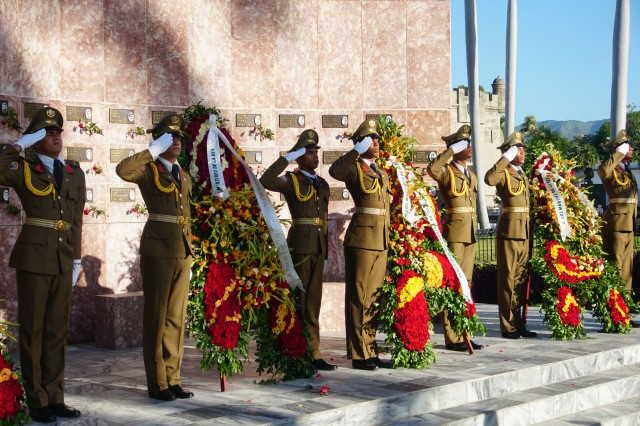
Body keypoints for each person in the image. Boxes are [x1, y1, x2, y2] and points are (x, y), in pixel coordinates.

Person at [0, 107, 84, 422]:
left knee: (56, 332)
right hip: (34, 257)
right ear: (37, 139)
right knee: (33, 331)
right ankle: (36, 400)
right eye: (47, 133)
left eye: (57, 132)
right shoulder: (23, 167)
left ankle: (55, 397)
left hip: (63, 258)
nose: (55, 138)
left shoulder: (75, 171)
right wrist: (20, 144)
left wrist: (77, 257)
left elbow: (76, 220)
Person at [116, 114, 195, 400]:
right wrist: (151, 150)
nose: (175, 142)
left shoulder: (182, 173)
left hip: (182, 250)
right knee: (157, 317)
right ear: (159, 141)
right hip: (158, 250)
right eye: (169, 138)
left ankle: (173, 378)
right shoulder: (148, 169)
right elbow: (123, 170)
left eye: (178, 138)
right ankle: (158, 382)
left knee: (176, 318)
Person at [260, 129, 336, 371]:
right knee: (299, 300)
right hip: (300, 247)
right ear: (300, 157)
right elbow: (266, 180)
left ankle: (314, 352)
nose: (315, 157)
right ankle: (296, 349)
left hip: (318, 248)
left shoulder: (322, 184)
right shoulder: (292, 181)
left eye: (316, 153)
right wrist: (288, 157)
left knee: (313, 302)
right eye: (310, 153)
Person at [329, 119, 391, 370]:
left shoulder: (380, 171)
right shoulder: (354, 168)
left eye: (376, 140)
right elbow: (335, 171)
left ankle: (370, 348)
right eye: (370, 140)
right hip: (362, 240)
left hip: (380, 239)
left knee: (373, 298)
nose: (376, 143)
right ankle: (358, 352)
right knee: (359, 297)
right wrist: (356, 149)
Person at [427, 124, 483, 351]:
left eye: (468, 143)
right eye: (464, 144)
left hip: (469, 233)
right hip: (455, 234)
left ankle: (465, 331)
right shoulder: (447, 171)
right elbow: (432, 169)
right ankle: (452, 336)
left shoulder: (471, 174)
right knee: (454, 284)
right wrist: (450, 150)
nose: (469, 147)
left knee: (466, 285)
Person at [484, 132, 536, 339]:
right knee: (507, 280)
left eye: (522, 149)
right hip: (509, 232)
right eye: (518, 149)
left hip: (524, 232)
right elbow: (489, 178)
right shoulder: (504, 172)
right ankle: (508, 325)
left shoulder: (522, 174)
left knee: (520, 280)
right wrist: (505, 157)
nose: (522, 152)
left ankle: (519, 322)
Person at [598, 129, 639, 328]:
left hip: (628, 224)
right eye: (627, 146)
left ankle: (624, 314)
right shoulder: (611, 167)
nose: (631, 149)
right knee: (615, 270)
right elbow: (603, 171)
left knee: (627, 273)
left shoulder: (626, 169)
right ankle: (612, 314)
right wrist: (618, 153)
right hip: (616, 224)